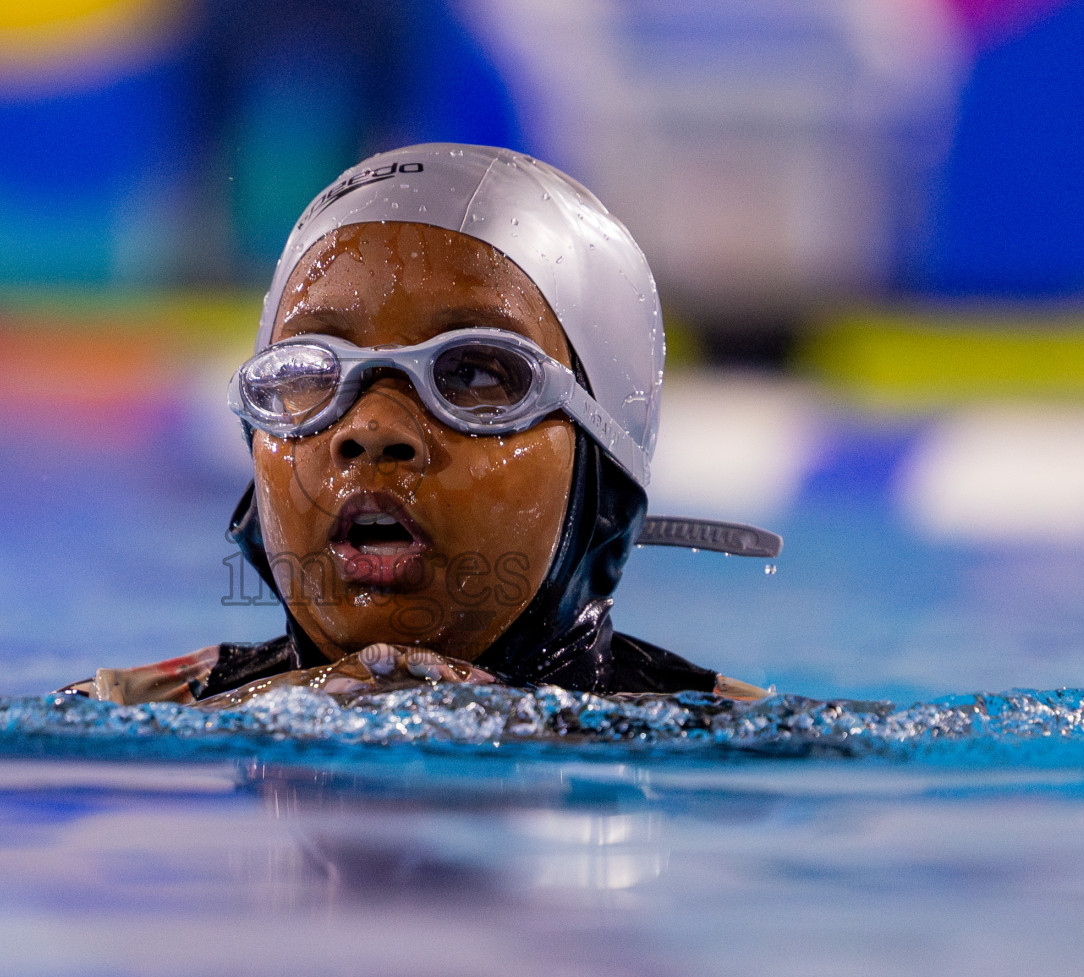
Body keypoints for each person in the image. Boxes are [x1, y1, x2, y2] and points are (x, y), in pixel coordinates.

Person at [64, 144, 775, 707]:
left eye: (472, 374)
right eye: (310, 373)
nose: (370, 428)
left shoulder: (742, 744)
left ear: (607, 498)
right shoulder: (125, 716)